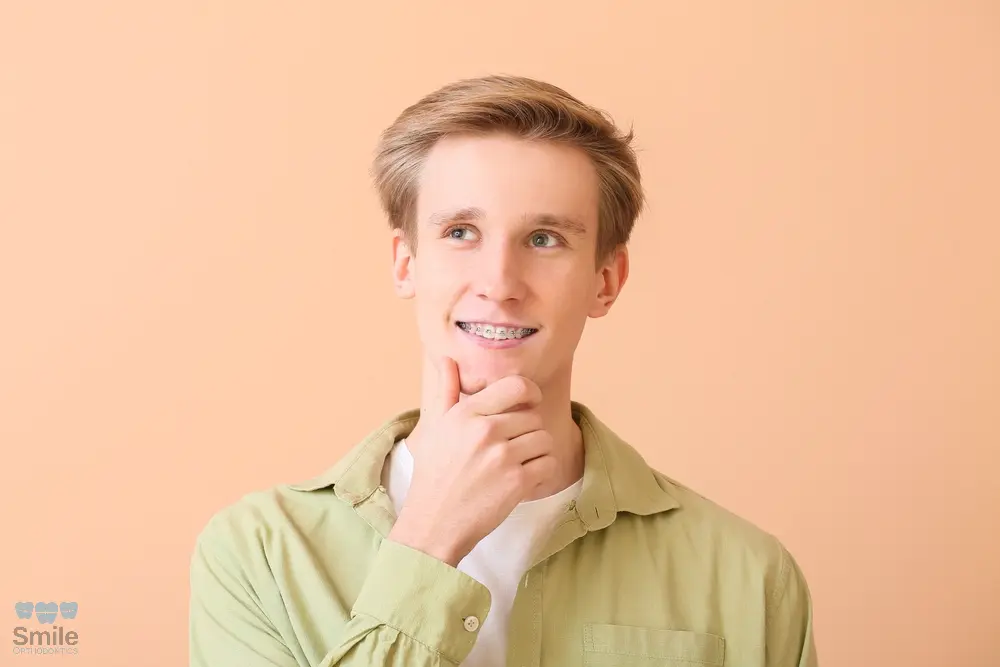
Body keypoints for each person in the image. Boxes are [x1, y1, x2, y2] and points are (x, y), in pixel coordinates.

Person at [188, 74, 819, 667]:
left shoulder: (749, 574)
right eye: (461, 232)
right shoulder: (258, 554)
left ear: (606, 281)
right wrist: (429, 543)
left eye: (545, 239)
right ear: (406, 264)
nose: (499, 284)